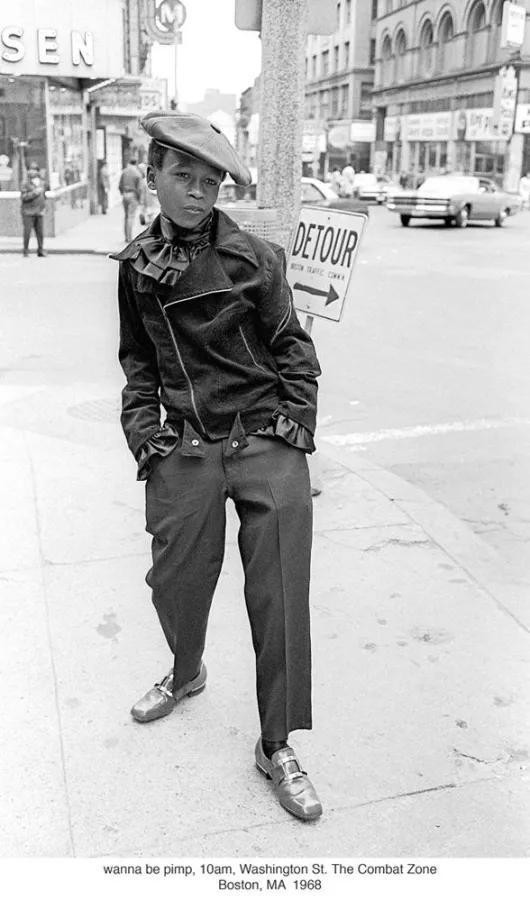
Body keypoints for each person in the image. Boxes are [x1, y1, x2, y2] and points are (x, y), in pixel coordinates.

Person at [111, 111, 323, 821]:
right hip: (188, 446)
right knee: (172, 580)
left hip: (263, 437)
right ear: (153, 177)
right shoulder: (137, 266)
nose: (200, 193)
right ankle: (185, 670)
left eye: (212, 181)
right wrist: (147, 434)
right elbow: (137, 362)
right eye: (185, 177)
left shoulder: (256, 259)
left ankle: (276, 744)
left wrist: (294, 431)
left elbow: (293, 348)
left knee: (281, 594)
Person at [20, 162, 47, 258]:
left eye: (34, 170)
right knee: (27, 232)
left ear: (37, 171)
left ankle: (41, 250)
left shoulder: (42, 182)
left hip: (39, 211)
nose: (32, 172)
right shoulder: (25, 183)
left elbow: (44, 196)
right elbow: (24, 197)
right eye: (30, 170)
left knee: (40, 233)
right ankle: (25, 250)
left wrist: (44, 207)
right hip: (28, 211)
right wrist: (35, 192)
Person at [118, 156, 142, 242]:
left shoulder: (124, 172)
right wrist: (139, 199)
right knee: (131, 216)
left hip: (125, 194)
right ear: (136, 163)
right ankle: (129, 237)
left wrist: (122, 193)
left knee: (126, 216)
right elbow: (139, 188)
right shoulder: (137, 173)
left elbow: (120, 185)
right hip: (133, 195)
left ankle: (126, 236)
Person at [138, 161, 160, 226]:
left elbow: (142, 196)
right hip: (155, 209)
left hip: (151, 209)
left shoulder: (144, 182)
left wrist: (142, 207)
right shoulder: (162, 181)